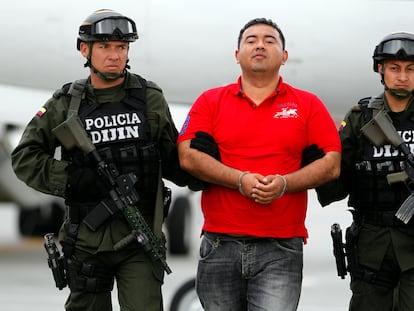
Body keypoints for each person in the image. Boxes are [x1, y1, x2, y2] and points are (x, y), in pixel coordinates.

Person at [11, 9, 203, 311]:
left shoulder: (149, 98)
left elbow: (172, 160)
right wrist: (72, 179)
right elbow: (25, 157)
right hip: (86, 243)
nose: (114, 55)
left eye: (122, 47)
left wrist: (205, 163)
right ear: (84, 49)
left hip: (139, 241)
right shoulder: (65, 104)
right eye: (104, 47)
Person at [177, 18, 341, 311]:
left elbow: (332, 163)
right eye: (251, 40)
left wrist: (285, 184)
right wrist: (239, 180)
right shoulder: (210, 101)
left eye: (270, 40)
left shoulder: (308, 104)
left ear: (284, 56)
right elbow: (187, 154)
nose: (260, 45)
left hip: (280, 248)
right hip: (219, 244)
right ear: (237, 54)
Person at [316, 32, 414, 311]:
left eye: (410, 69)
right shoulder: (360, 118)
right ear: (381, 70)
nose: (403, 76)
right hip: (373, 245)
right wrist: (314, 162)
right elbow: (337, 179)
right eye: (394, 68)